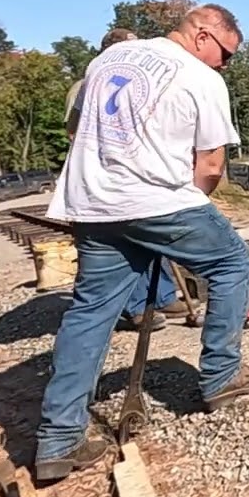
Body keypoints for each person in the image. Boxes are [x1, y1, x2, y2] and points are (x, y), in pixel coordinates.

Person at [34, 4, 249, 481]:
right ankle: (222, 375)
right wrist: (191, 209)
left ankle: (59, 439)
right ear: (203, 35)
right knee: (232, 262)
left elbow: (77, 129)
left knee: (90, 310)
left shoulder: (106, 61)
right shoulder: (201, 77)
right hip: (153, 199)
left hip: (91, 201)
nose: (225, 65)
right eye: (226, 54)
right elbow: (209, 168)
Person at [64, 27, 185, 332]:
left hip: (143, 173)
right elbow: (75, 131)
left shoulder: (142, 79)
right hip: (108, 178)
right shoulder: (88, 84)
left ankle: (163, 296)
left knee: (158, 238)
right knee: (124, 246)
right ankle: (135, 308)